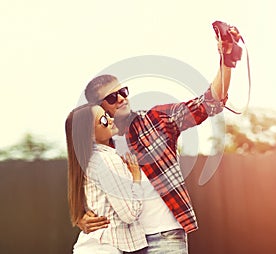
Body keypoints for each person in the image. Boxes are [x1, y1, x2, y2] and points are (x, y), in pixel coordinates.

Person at [77, 28, 241, 253]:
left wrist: (227, 60)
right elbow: (90, 196)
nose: (122, 98)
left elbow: (209, 102)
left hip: (165, 237)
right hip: (120, 243)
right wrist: (82, 218)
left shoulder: (156, 120)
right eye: (113, 97)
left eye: (123, 91)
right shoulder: (99, 149)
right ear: (98, 107)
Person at [65, 103, 148, 253]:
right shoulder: (106, 160)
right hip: (103, 248)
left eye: (108, 115)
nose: (110, 120)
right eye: (103, 120)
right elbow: (130, 213)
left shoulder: (90, 159)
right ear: (89, 133)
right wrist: (136, 178)